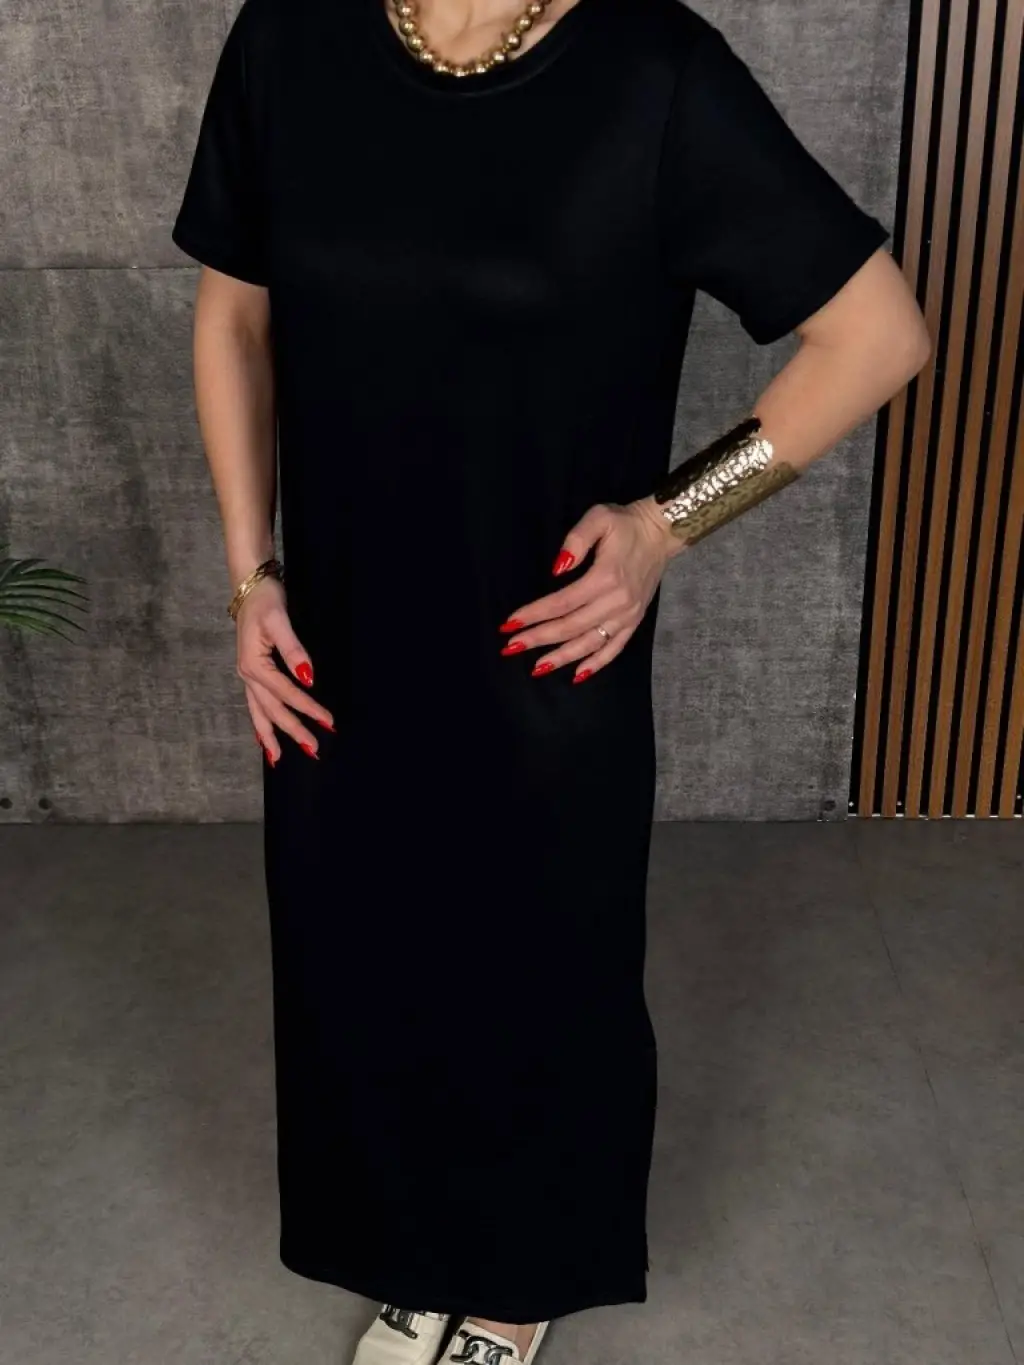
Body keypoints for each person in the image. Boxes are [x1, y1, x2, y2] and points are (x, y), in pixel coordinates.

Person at [171, 0, 931, 1361]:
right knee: (362, 954)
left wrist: (665, 527)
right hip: (339, 643)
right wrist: (249, 576)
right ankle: (416, 1245)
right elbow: (235, 316)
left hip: (541, 647)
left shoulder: (657, 74)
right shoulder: (290, 39)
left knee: (535, 968)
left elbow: (879, 336)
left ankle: (515, 1282)